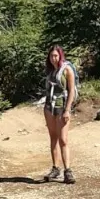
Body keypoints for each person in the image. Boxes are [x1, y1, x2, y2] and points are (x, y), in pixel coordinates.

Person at [42, 44, 77, 184]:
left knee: (63, 139)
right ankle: (55, 168)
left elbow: (71, 91)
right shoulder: (50, 71)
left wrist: (67, 110)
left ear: (60, 55)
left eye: (56, 55)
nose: (53, 58)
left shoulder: (67, 70)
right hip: (49, 107)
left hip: (62, 107)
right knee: (53, 138)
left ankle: (68, 171)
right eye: (51, 56)